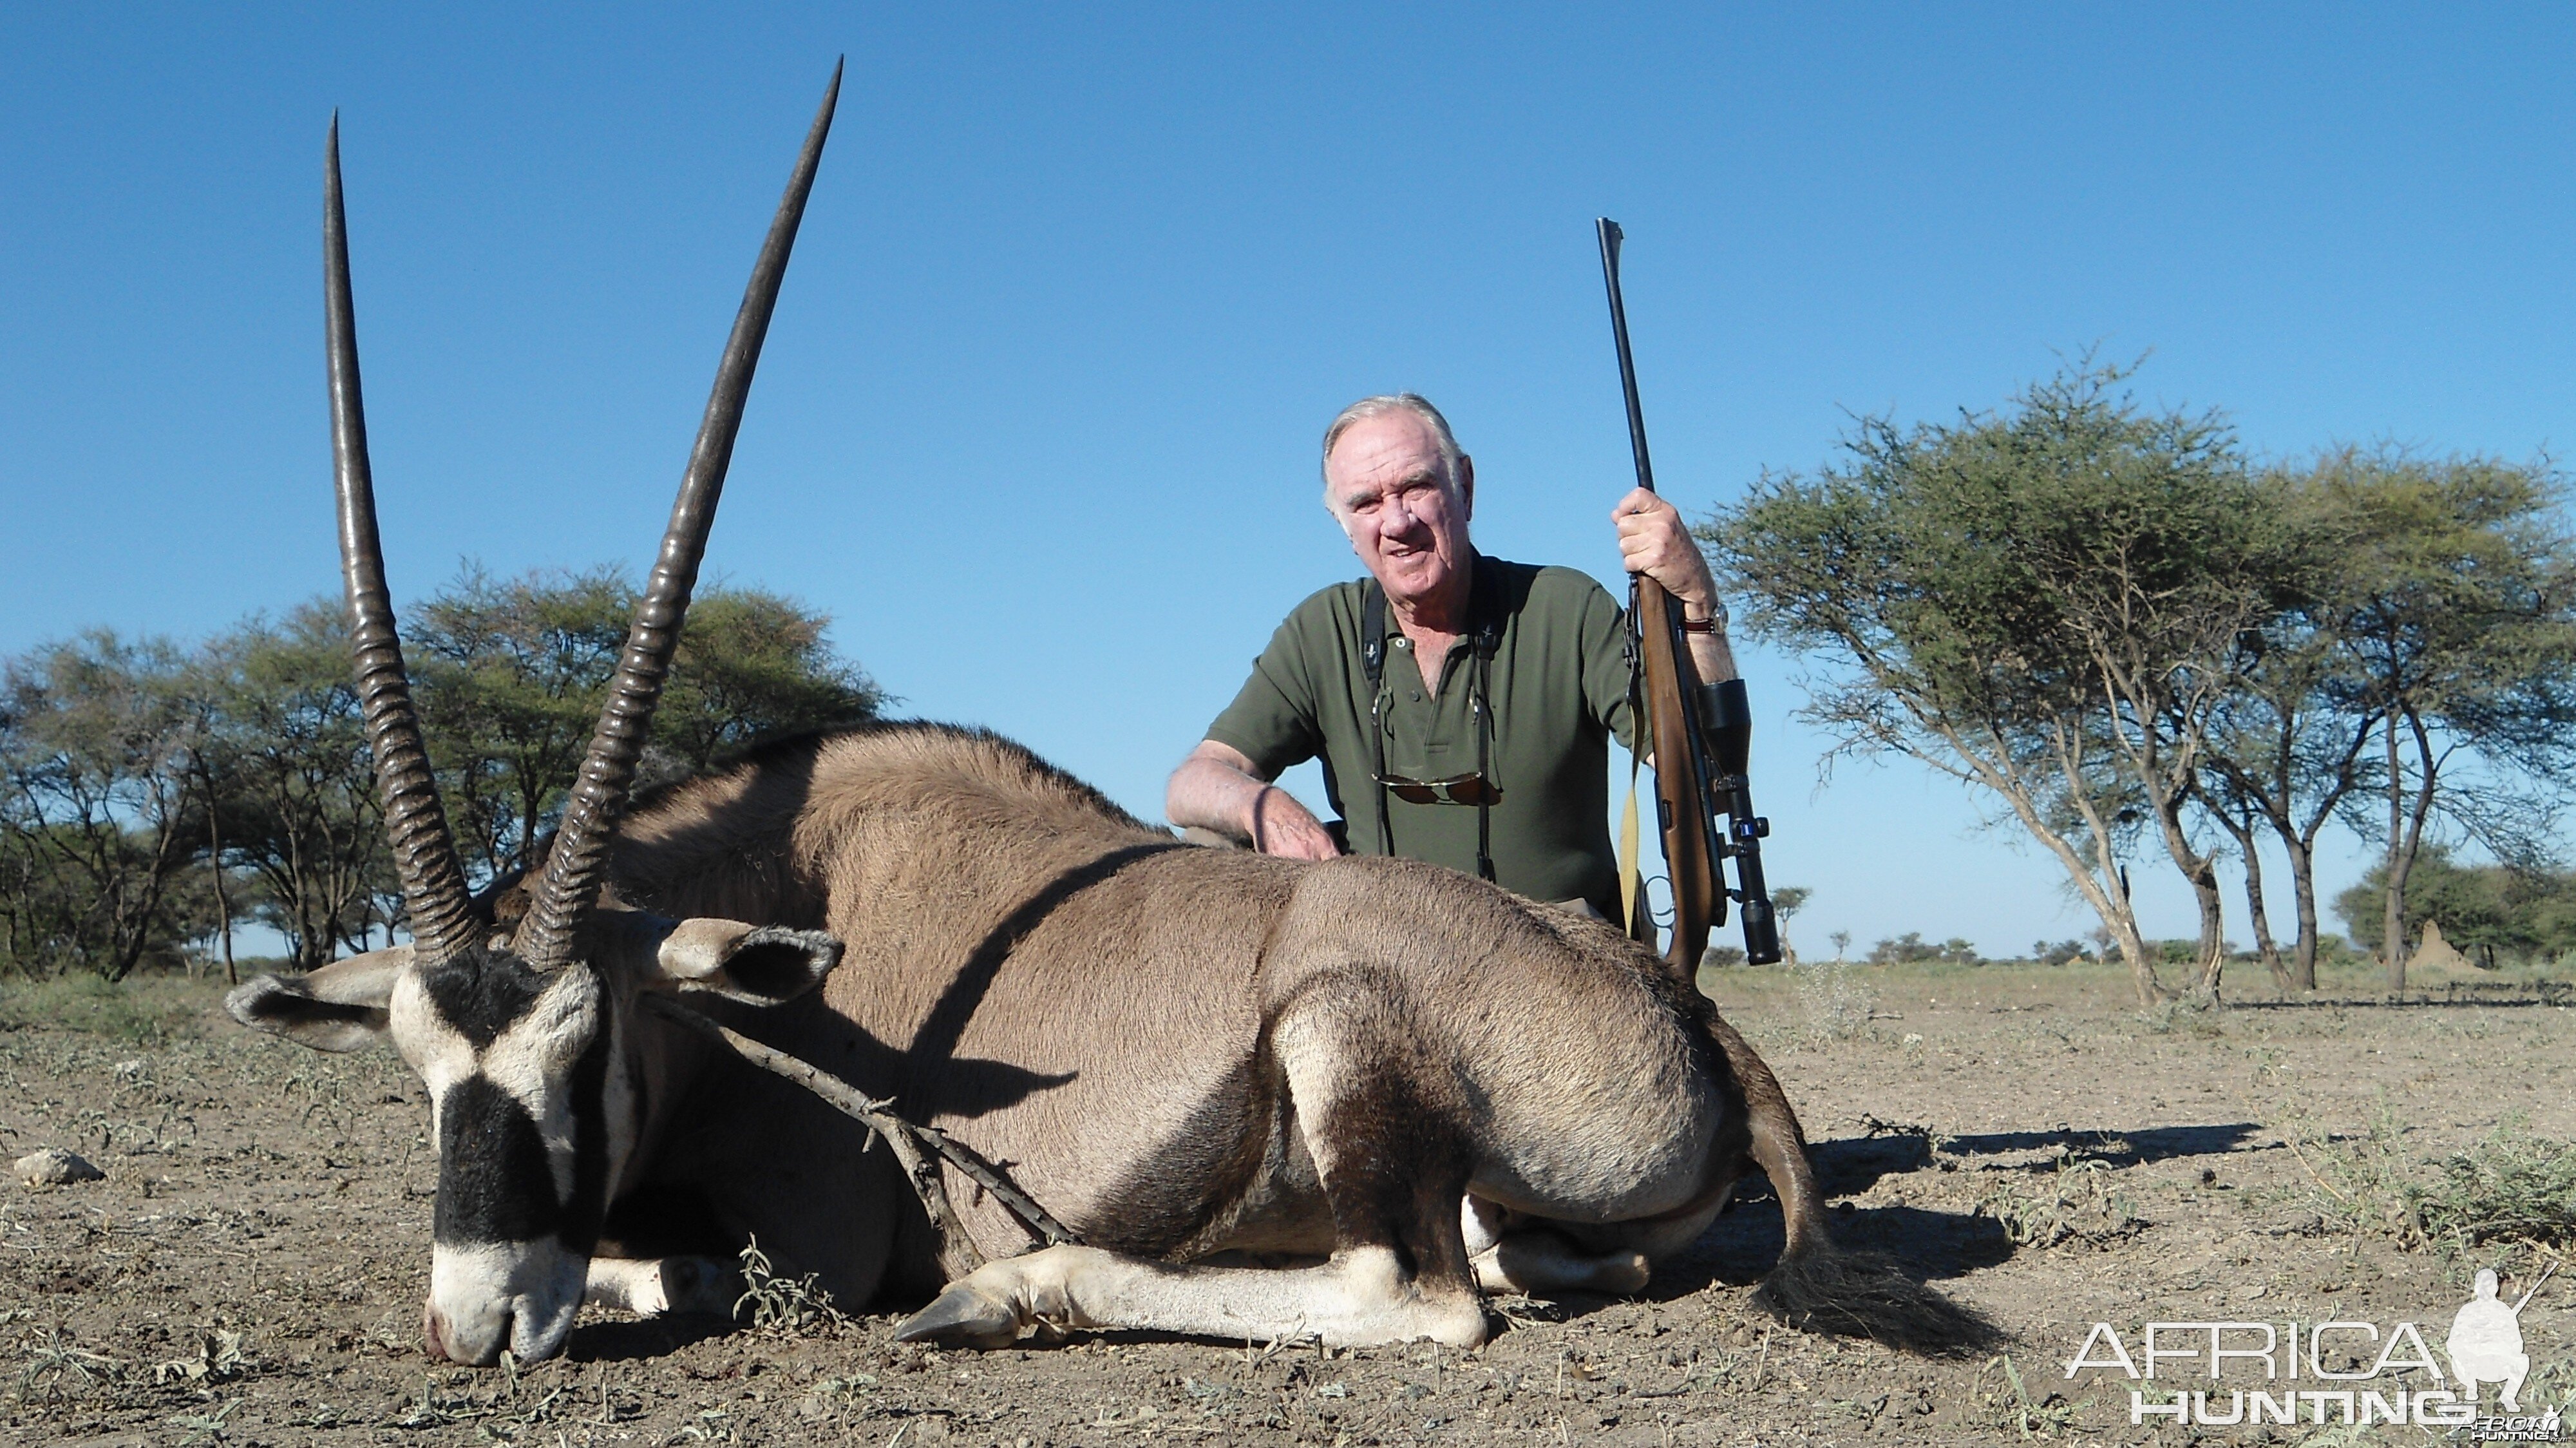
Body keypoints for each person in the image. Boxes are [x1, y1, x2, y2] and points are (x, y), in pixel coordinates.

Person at [1164, 392, 1736, 920]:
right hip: (1388, 960)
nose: (1397, 523)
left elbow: (1707, 775)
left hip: (1555, 963)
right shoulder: (1322, 629)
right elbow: (1192, 783)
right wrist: (1267, 810)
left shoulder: (1565, 606)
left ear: (1464, 484)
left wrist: (1698, 607)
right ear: (1343, 525)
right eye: (1366, 502)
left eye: (1416, 487)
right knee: (1210, 842)